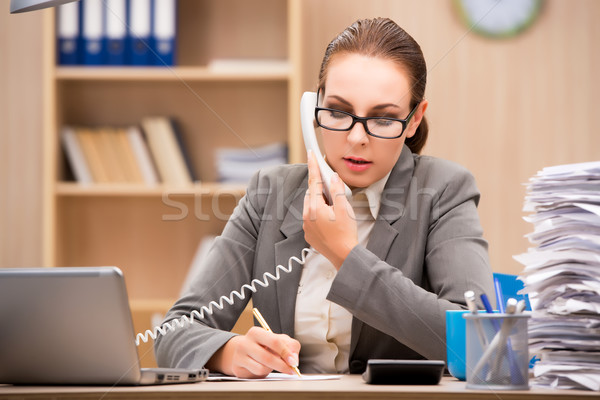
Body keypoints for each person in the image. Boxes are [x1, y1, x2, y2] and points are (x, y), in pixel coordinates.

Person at [154, 17, 494, 378]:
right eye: (337, 111)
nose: (356, 139)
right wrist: (227, 351)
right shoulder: (269, 192)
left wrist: (345, 255)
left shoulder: (444, 189)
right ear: (313, 108)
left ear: (413, 120)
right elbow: (173, 333)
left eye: (383, 119)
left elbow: (481, 344)